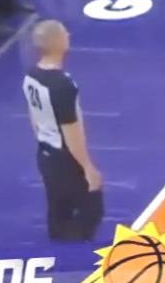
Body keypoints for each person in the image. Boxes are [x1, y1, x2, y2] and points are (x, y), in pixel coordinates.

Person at [22, 20, 104, 242]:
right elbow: (71, 132)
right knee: (92, 208)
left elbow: (33, 116)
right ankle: (75, 253)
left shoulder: (31, 75)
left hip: (45, 153)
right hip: (65, 158)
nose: (68, 35)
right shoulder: (63, 85)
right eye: (64, 33)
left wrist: (43, 141)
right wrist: (87, 167)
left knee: (57, 207)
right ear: (57, 42)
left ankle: (57, 247)